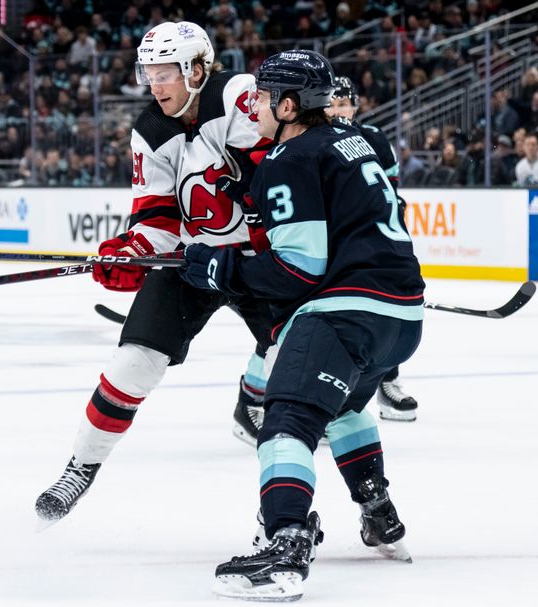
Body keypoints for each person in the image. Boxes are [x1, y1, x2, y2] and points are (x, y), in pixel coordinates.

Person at [177, 50, 424, 601]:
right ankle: (377, 509)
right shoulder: (350, 139)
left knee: (287, 414)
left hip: (346, 312)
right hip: (402, 316)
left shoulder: (290, 157)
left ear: (289, 105)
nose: (255, 104)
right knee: (347, 405)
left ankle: (286, 541)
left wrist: (224, 267)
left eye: (264, 96)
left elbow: (297, 267)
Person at [35, 21, 275, 522]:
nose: (154, 83)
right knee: (133, 362)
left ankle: (370, 492)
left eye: (165, 72)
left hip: (264, 263)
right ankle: (80, 467)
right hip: (192, 263)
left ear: (197, 69)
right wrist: (134, 252)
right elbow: (159, 218)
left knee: (311, 373)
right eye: (149, 72)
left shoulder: (239, 97)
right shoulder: (149, 129)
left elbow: (278, 172)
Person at [326, 76, 420, 422]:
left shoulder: (375, 139)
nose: (339, 110)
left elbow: (391, 192)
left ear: (356, 105)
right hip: (336, 242)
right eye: (332, 103)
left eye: (344, 103)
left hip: (376, 241)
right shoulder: (315, 140)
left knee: (390, 309)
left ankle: (388, 380)